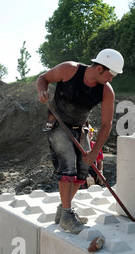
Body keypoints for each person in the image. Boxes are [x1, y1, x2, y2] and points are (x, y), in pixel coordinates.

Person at [36, 48, 124, 234]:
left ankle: (63, 211)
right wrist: (42, 91)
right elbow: (42, 78)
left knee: (82, 172)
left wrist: (94, 152)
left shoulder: (106, 91)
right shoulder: (69, 70)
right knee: (68, 166)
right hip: (58, 125)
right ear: (100, 68)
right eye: (112, 74)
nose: (112, 78)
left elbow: (107, 124)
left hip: (80, 129)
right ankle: (68, 215)